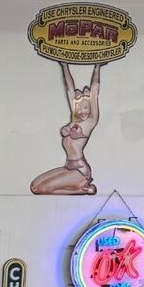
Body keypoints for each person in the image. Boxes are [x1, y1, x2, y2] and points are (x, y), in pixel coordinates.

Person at [29, 62, 100, 195]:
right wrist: (64, 66)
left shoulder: (90, 122)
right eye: (80, 108)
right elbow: (69, 89)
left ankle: (81, 189)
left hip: (80, 171)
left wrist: (97, 67)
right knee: (34, 186)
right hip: (68, 167)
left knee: (41, 189)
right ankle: (79, 187)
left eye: (86, 107)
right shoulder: (74, 121)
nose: (83, 111)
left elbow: (94, 91)